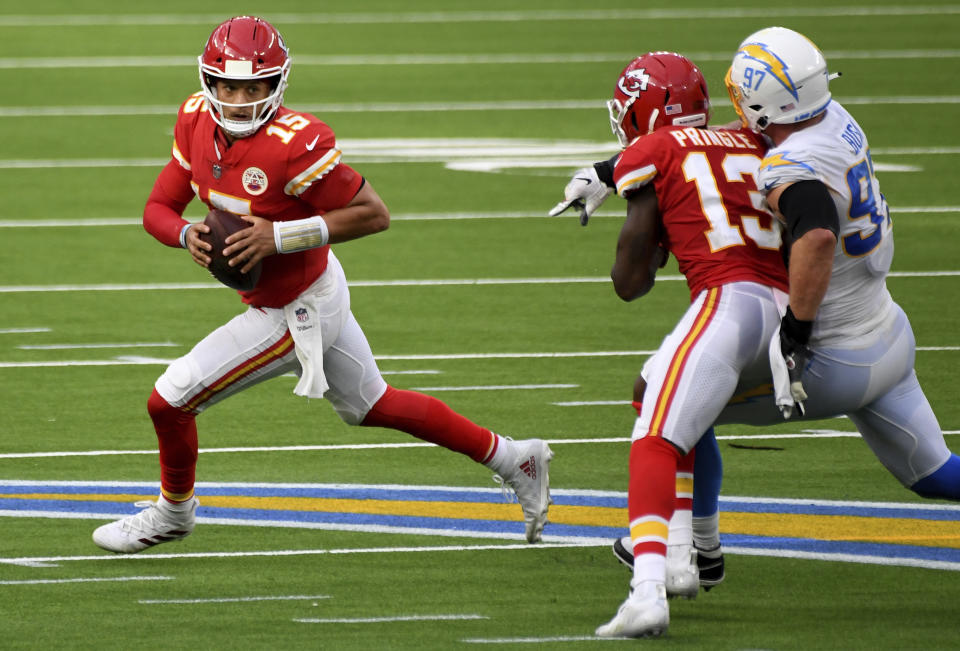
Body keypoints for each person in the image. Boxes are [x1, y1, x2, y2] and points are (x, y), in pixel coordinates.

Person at [91, 15, 553, 554]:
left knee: (168, 400)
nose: (239, 99)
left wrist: (279, 237)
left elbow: (373, 214)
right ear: (208, 82)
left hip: (297, 308)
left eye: (254, 86)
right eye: (229, 85)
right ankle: (515, 459)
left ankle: (174, 512)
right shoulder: (194, 119)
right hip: (299, 292)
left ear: (276, 85)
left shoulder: (296, 142)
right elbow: (157, 208)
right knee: (372, 405)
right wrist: (184, 233)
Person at [554, 50, 791, 637]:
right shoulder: (752, 139)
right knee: (664, 388)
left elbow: (629, 285)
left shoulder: (654, 152)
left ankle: (651, 586)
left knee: (656, 427)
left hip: (728, 305)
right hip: (795, 311)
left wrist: (647, 225)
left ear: (644, 112)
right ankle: (696, 551)